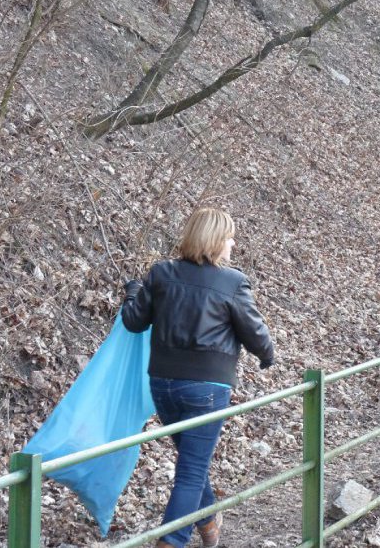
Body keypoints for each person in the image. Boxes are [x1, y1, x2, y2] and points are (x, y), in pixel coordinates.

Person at [121, 207, 275, 548]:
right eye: (230, 237)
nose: (233, 244)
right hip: (206, 388)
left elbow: (134, 321)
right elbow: (254, 332)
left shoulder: (161, 274)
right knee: (191, 471)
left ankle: (209, 523)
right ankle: (172, 541)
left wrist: (132, 292)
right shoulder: (232, 281)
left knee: (193, 463)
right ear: (216, 240)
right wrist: (267, 354)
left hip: (163, 384)